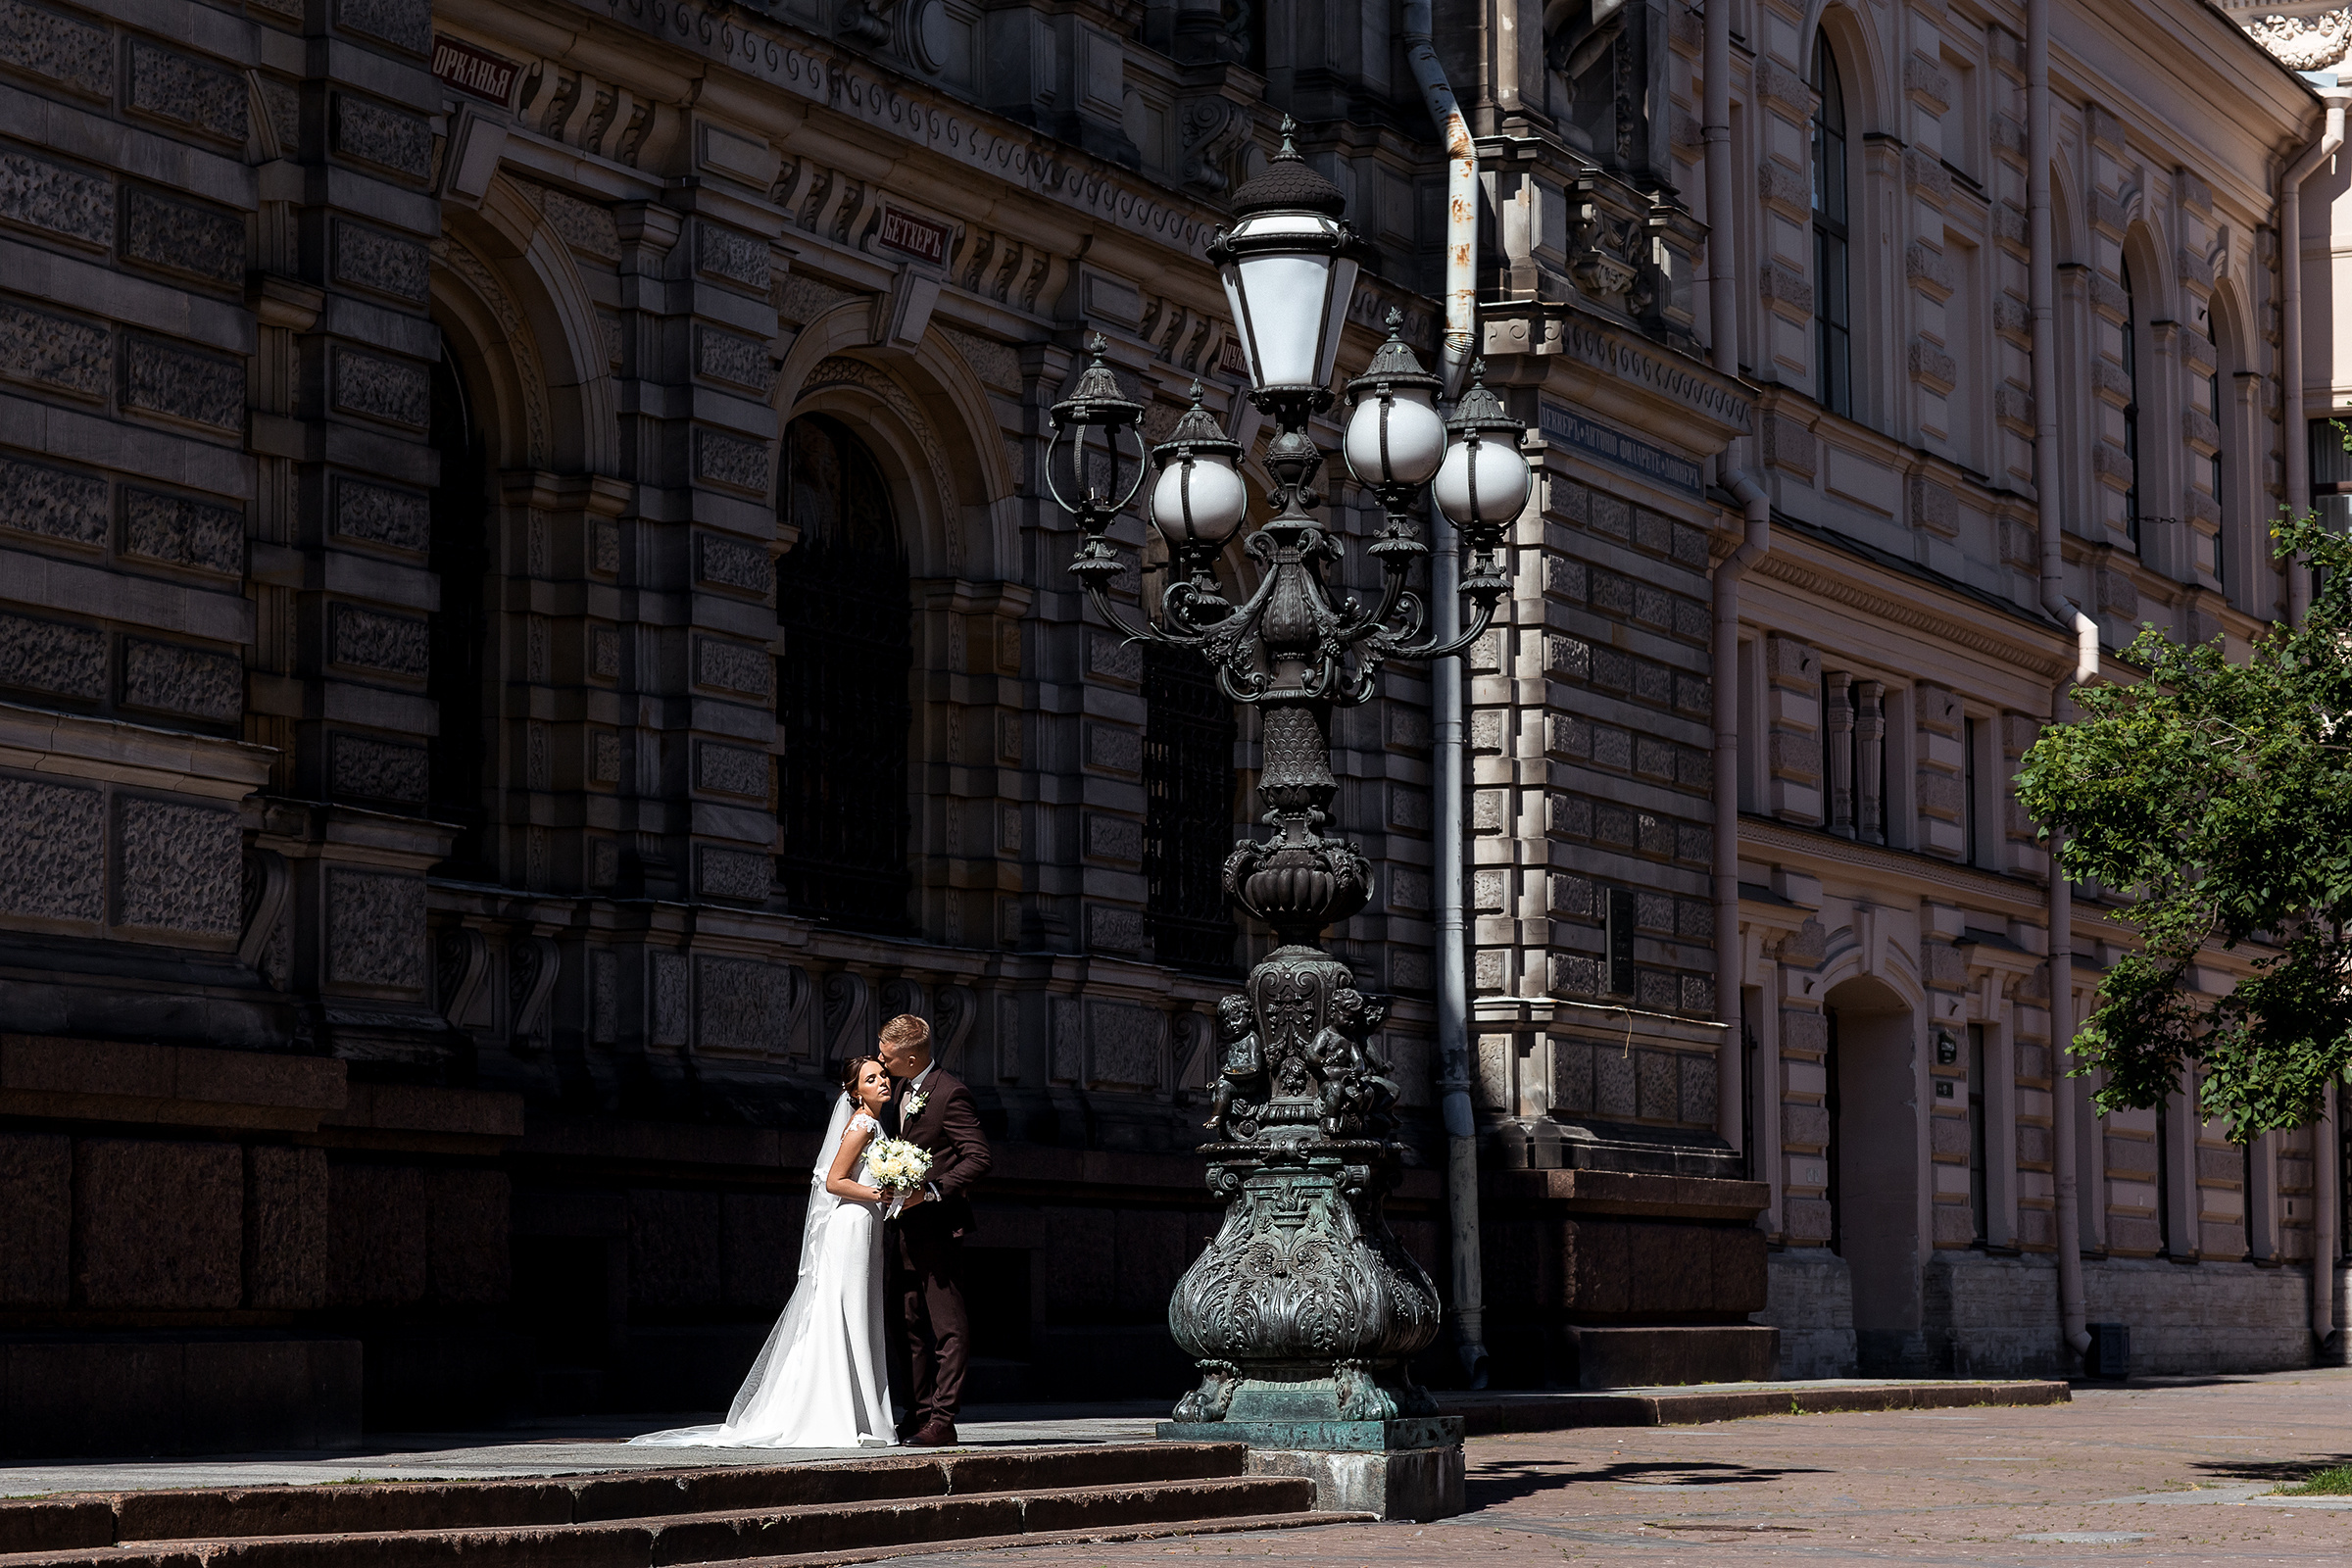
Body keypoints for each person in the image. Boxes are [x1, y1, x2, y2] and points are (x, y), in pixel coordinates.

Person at [628, 1054, 898, 1448]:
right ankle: (840, 1411)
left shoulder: (874, 1124)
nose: (882, 1081)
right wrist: (878, 1192)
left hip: (866, 1226)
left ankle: (861, 1411)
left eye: (884, 1075)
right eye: (871, 1079)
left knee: (859, 1315)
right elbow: (834, 1182)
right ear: (855, 1092)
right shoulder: (860, 1125)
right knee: (845, 1314)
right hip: (851, 1225)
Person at [876, 1012, 993, 1446]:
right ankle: (919, 1411)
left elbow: (978, 1157)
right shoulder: (904, 1087)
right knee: (905, 1321)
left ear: (910, 1058)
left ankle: (943, 1420)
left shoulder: (950, 1093)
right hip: (904, 1230)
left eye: (888, 1057)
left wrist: (933, 1191)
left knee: (948, 1327)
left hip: (940, 1229)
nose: (882, 1063)